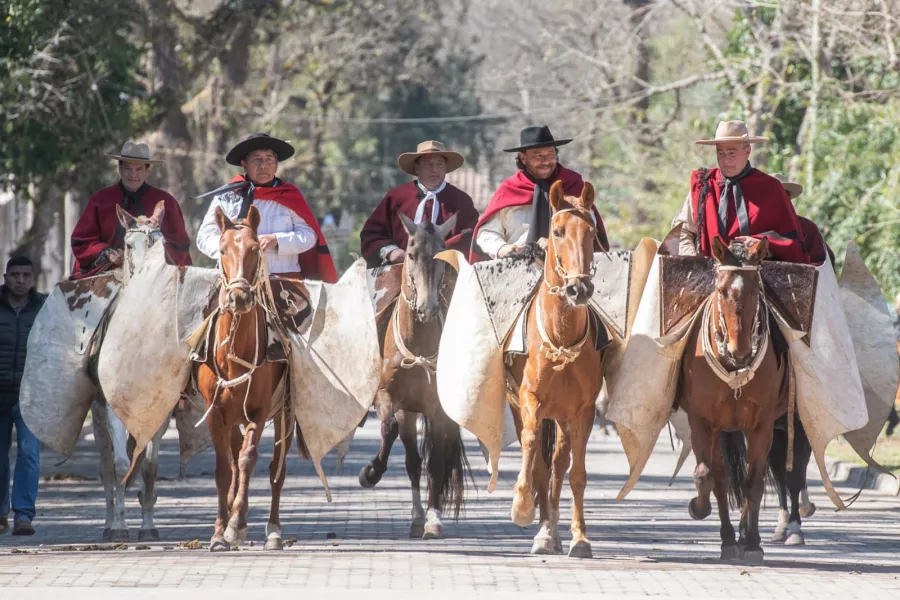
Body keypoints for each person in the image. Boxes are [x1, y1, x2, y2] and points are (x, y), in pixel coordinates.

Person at [196, 133, 337, 282]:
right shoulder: (226, 197)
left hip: (283, 281)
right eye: (257, 159)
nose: (263, 165)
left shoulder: (289, 196)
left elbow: (309, 235)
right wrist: (232, 247)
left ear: (276, 164)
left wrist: (277, 240)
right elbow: (204, 237)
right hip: (234, 281)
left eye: (269, 159)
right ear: (244, 164)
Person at [672, 120, 809, 263]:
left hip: (760, 276)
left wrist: (760, 244)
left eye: (732, 153)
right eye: (721, 153)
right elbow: (683, 231)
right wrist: (695, 261)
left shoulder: (771, 188)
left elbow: (793, 242)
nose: (726, 160)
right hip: (709, 275)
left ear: (747, 151)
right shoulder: (704, 187)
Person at [472, 125, 608, 262]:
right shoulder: (509, 190)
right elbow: (487, 233)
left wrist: (556, 244)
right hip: (516, 268)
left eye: (550, 155)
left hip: (568, 267)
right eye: (538, 156)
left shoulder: (572, 185)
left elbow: (588, 225)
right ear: (523, 158)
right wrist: (502, 248)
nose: (546, 161)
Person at [70, 141, 192, 279]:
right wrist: (107, 253)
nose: (133, 174)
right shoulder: (100, 200)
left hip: (154, 275)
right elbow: (81, 241)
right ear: (120, 169)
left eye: (139, 169)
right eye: (128, 168)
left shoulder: (166, 202)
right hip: (106, 275)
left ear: (147, 171)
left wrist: (151, 256)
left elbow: (180, 244)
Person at [360, 140, 479, 267]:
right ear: (417, 168)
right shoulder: (397, 198)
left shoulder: (461, 201)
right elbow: (371, 234)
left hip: (448, 272)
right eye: (429, 165)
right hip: (399, 272)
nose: (434, 170)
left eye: (439, 164)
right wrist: (391, 252)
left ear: (445, 167)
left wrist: (438, 252)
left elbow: (470, 236)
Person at [0, 256, 45, 536]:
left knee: (29, 454)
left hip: (31, 395)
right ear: (5, 277)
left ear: (32, 278)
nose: (19, 281)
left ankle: (23, 515)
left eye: (25, 275)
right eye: (14, 275)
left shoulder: (44, 307)